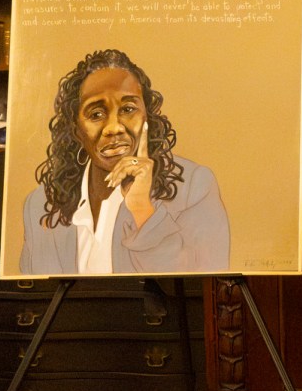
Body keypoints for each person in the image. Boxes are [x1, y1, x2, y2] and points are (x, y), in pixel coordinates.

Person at [20, 48, 230, 276]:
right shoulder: (40, 204)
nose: (114, 128)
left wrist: (142, 210)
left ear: (147, 117)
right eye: (96, 114)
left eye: (128, 109)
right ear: (76, 131)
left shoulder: (194, 187)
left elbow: (201, 284)